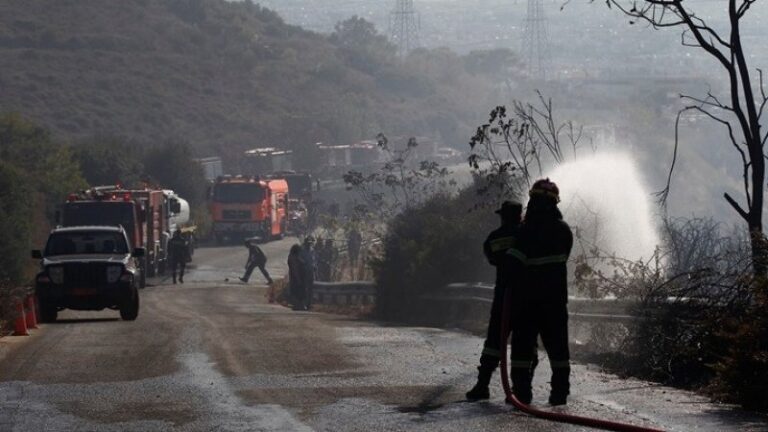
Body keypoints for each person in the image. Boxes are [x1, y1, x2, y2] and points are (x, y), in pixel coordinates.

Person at [506, 178, 573, 406]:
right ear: (555, 203)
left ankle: (522, 393)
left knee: (523, 349)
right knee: (558, 349)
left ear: (532, 200)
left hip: (527, 302)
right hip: (555, 301)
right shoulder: (563, 230)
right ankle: (559, 394)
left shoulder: (525, 231)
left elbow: (513, 264)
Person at [466, 200, 531, 401]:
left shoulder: (494, 237)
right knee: (524, 344)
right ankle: (522, 391)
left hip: (503, 295)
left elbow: (491, 257)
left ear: (503, 216)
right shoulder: (528, 235)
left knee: (494, 341)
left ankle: (482, 385)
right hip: (527, 297)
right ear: (520, 216)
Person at [287, 244, 305, 310]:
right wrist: (298, 279)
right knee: (297, 292)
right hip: (295, 277)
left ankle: (298, 305)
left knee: (297, 291)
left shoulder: (294, 257)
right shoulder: (292, 258)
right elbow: (295, 269)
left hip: (295, 277)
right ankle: (297, 305)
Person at [300, 236, 316, 310]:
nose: (309, 245)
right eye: (307, 243)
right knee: (304, 288)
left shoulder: (312, 251)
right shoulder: (302, 251)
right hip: (304, 272)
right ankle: (304, 304)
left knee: (311, 288)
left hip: (311, 271)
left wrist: (315, 267)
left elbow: (314, 261)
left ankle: (309, 303)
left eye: (310, 243)